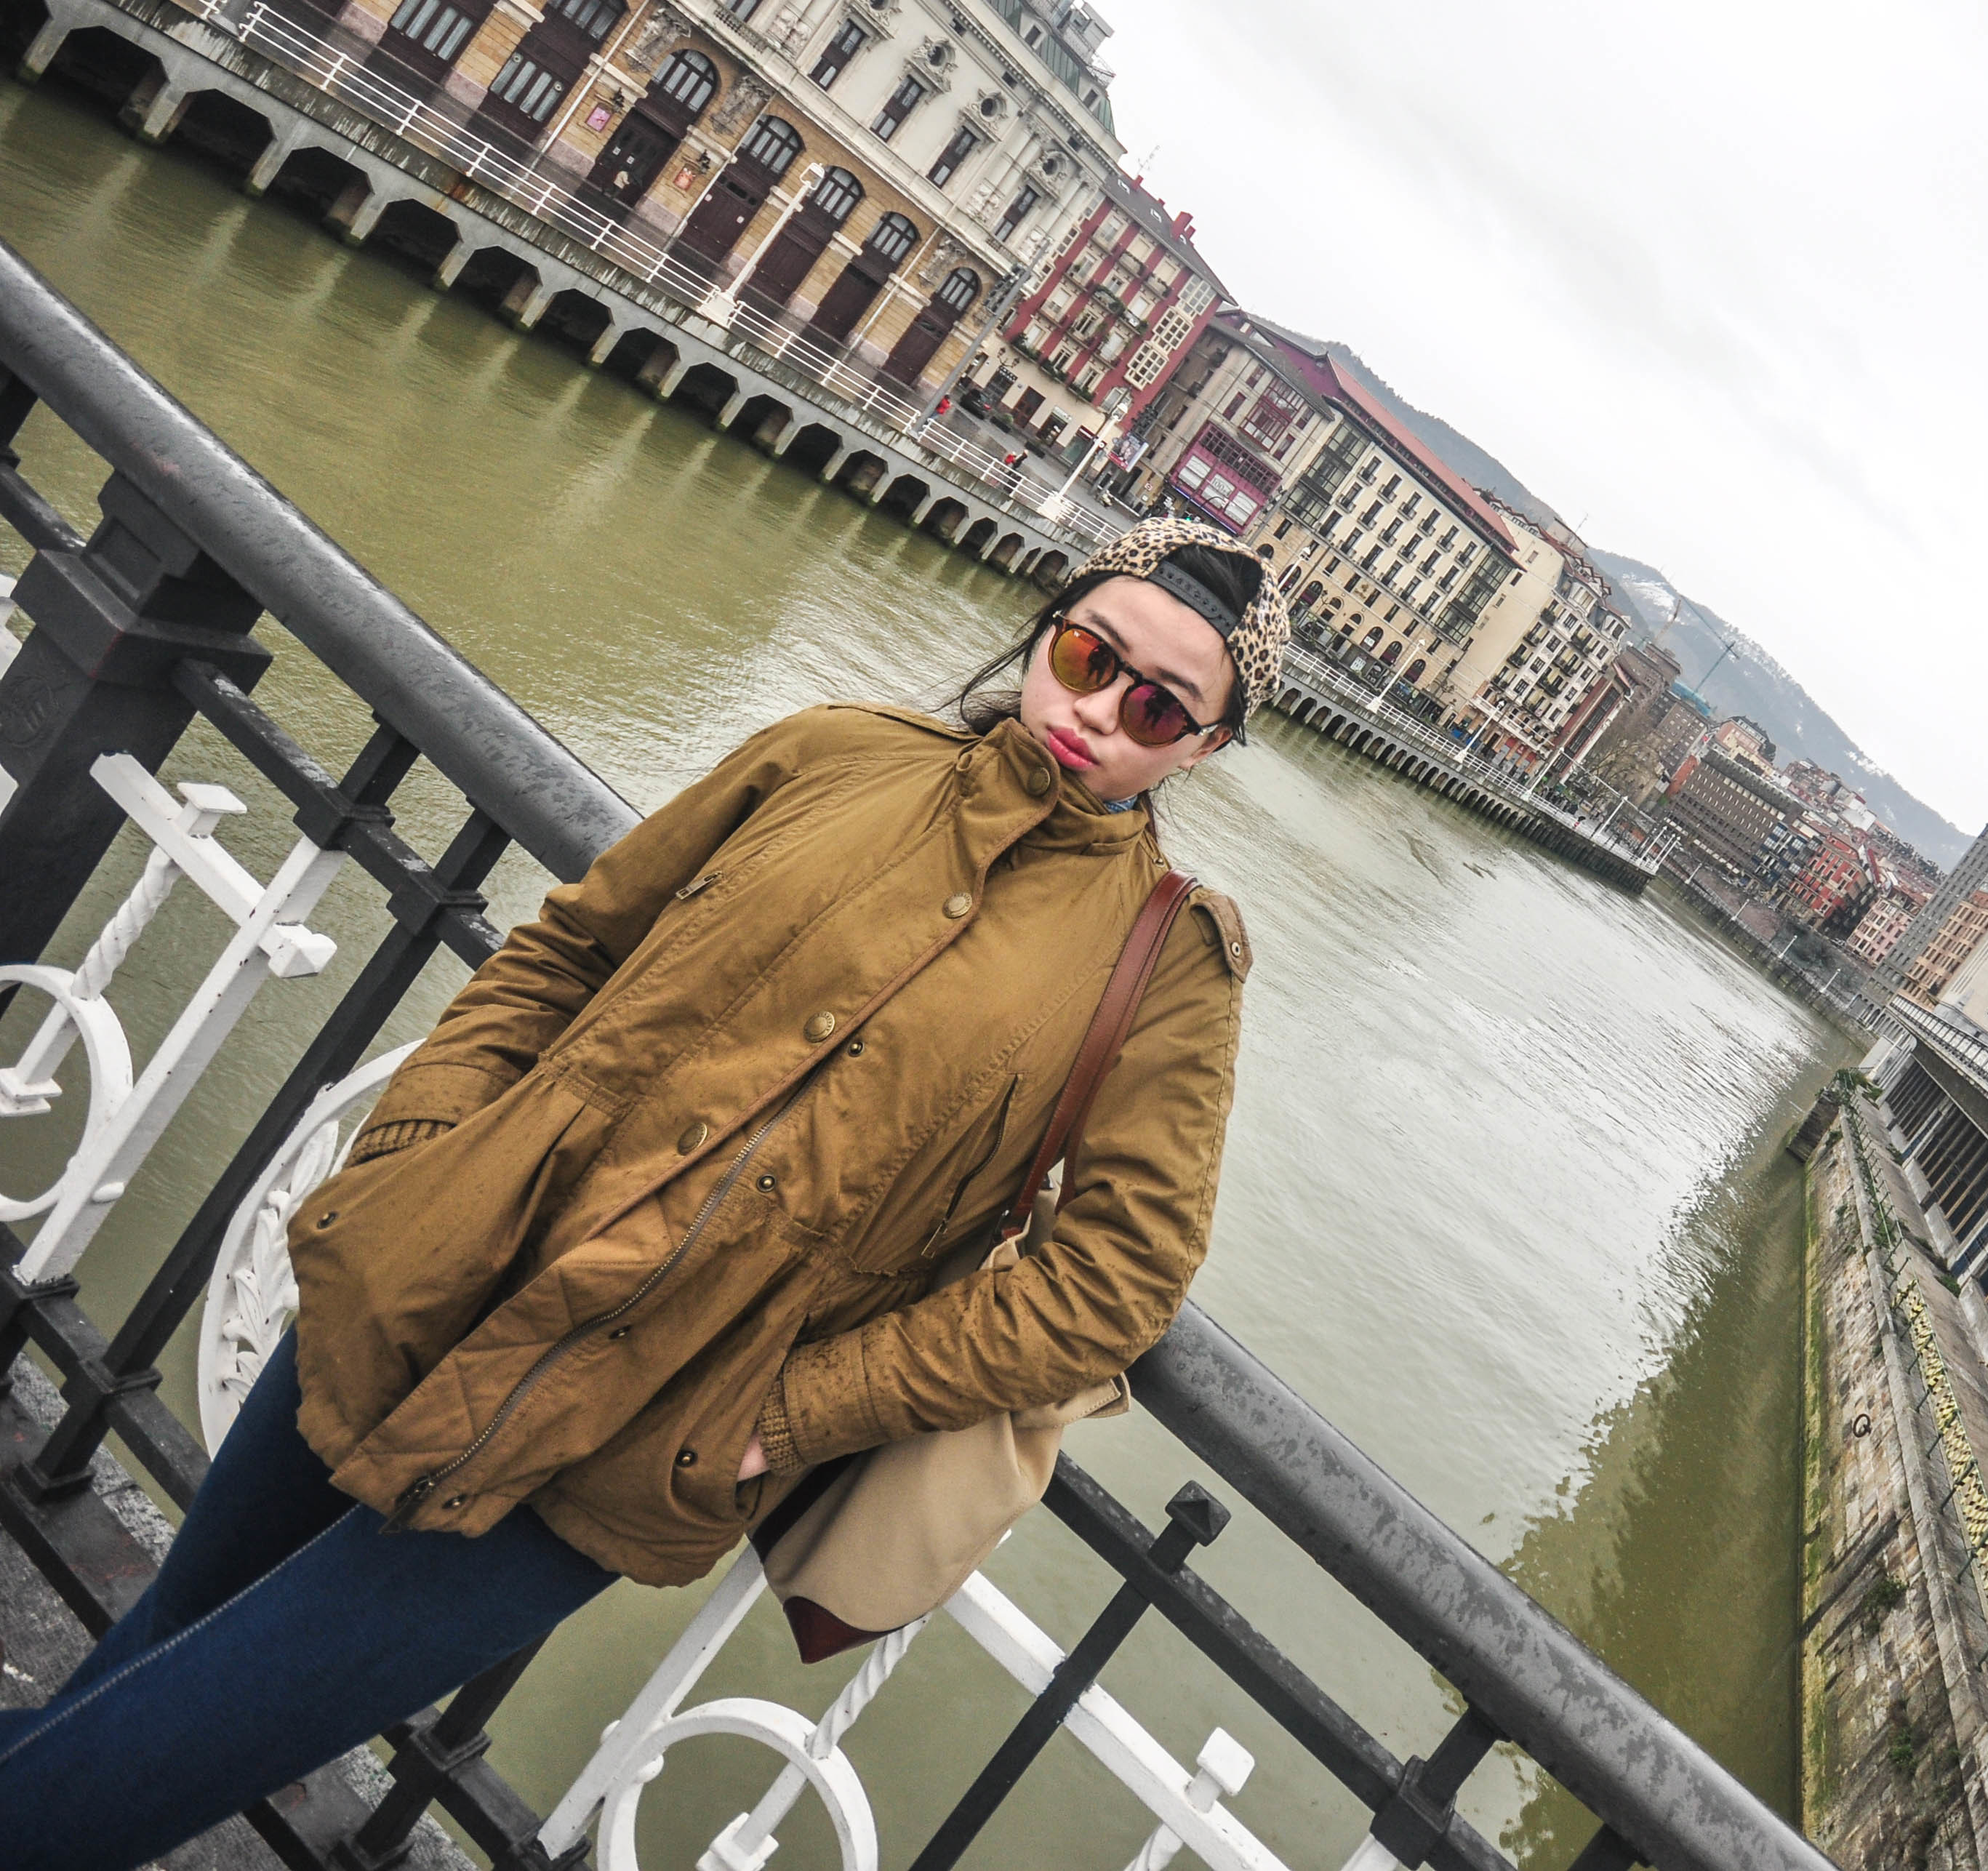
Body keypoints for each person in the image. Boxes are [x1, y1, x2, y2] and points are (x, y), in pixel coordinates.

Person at [0, 518, 1280, 1869]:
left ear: (1202, 747)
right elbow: (574, 945)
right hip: (447, 1254)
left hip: (650, 1420)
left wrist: (789, 1413)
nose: (1099, 714)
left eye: (1158, 707)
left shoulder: (1173, 964)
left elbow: (1115, 1284)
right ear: (1049, 630)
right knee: (176, 1631)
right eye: (1087, 657)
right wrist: (419, 1146)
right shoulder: (834, 753)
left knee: (204, 1729)